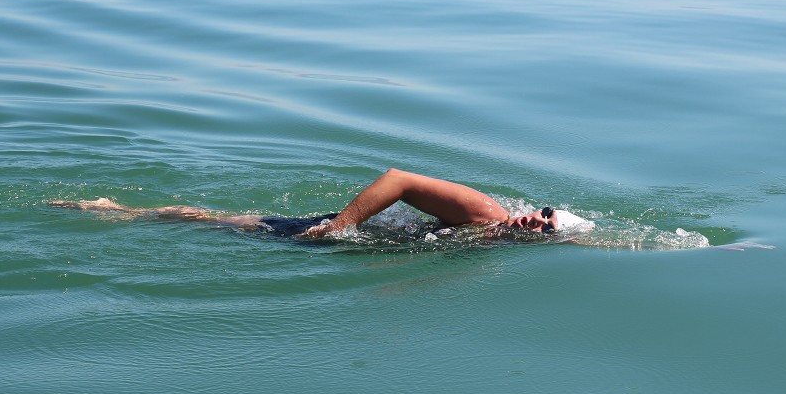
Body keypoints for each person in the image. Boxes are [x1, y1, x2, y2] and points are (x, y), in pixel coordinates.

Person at [49, 168, 590, 238]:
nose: (537, 219)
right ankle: (111, 210)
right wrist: (340, 226)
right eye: (545, 211)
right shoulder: (487, 214)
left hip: (348, 240)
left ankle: (118, 211)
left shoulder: (493, 240)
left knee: (226, 226)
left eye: (547, 227)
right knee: (225, 225)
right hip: (329, 232)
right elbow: (397, 178)